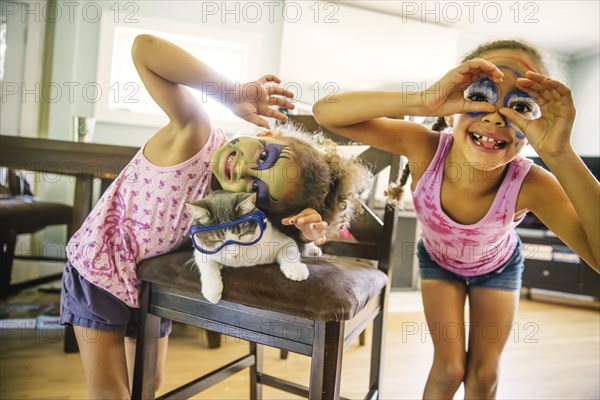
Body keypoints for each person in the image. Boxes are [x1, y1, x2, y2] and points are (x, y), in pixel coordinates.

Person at [60, 34, 370, 399]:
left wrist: (300, 233)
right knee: (111, 392)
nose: (245, 169)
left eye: (257, 188)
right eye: (265, 156)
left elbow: (269, 245)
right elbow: (144, 49)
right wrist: (230, 92)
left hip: (140, 280)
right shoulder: (195, 133)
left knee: (151, 383)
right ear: (267, 132)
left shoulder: (232, 201)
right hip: (98, 270)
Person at [313, 39, 599, 399]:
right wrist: (423, 100)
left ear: (533, 129)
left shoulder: (533, 183)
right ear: (450, 110)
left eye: (520, 107)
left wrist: (560, 153)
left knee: (484, 376)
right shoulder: (425, 147)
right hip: (438, 265)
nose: (496, 116)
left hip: (499, 268)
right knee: (448, 370)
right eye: (480, 96)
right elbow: (326, 111)